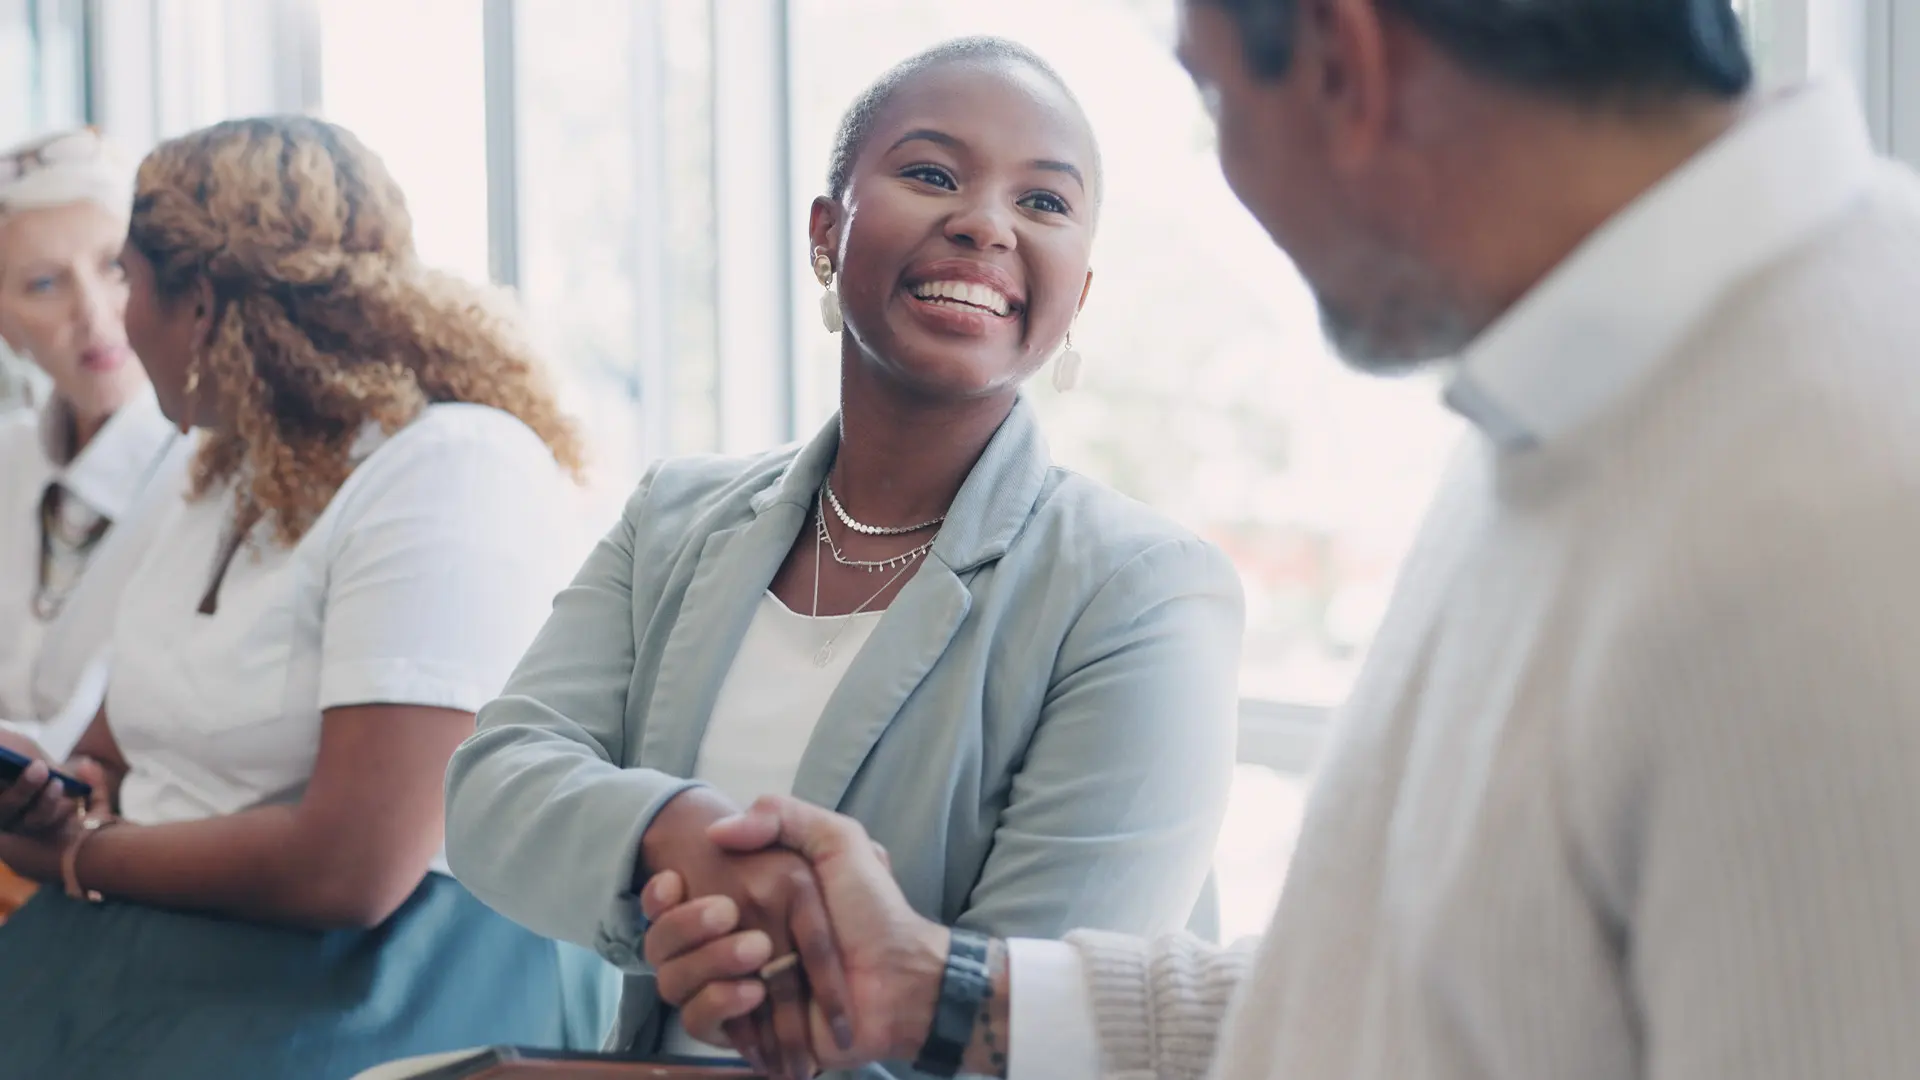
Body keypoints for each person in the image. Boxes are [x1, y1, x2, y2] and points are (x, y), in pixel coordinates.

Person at [639, 1, 1920, 1079]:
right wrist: (943, 989)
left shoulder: (1838, 515)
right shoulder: (1572, 396)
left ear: (1341, 67)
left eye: (1212, 103)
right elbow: (1422, 1006)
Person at [440, 36, 1243, 1080]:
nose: (986, 223)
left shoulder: (1143, 594)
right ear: (827, 233)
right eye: (932, 174)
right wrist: (666, 837)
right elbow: (492, 790)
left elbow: (1029, 1024)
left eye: (1043, 203)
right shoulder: (675, 516)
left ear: (1076, 294)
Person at [0, 115, 616, 1079]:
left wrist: (80, 854)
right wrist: (61, 792)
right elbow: (117, 750)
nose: (115, 317)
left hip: (372, 981)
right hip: (175, 951)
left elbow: (352, 870)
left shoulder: (451, 468)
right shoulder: (227, 467)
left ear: (199, 304)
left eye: (128, 278)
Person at [0, 128, 188, 763]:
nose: (95, 313)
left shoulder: (207, 470)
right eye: (44, 285)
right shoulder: (10, 460)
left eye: (115, 268)